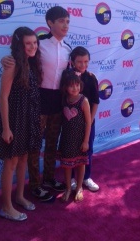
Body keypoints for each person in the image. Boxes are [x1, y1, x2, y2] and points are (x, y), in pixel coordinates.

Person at [1, 6, 71, 201]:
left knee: (51, 143)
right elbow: (21, 58)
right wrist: (6, 59)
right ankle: (35, 185)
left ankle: (48, 179)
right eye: (61, 21)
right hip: (37, 101)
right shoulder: (38, 44)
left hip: (58, 101)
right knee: (33, 146)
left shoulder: (68, 49)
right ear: (50, 23)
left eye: (67, 21)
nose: (65, 25)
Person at [0, 27, 42, 221]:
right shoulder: (12, 64)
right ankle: (6, 207)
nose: (32, 46)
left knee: (23, 159)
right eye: (28, 43)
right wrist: (6, 128)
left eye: (34, 42)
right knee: (11, 162)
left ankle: (20, 196)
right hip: (13, 120)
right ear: (19, 45)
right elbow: (3, 98)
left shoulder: (31, 63)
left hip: (28, 119)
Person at [70, 46, 100, 192]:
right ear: (72, 61)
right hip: (70, 122)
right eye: (79, 62)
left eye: (86, 61)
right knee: (70, 150)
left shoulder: (91, 77)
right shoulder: (67, 77)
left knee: (87, 149)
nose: (83, 65)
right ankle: (71, 179)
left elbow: (95, 102)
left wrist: (90, 121)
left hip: (89, 123)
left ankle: (86, 177)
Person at [58, 70, 91, 202]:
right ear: (65, 87)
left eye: (77, 85)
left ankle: (78, 188)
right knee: (67, 164)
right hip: (66, 139)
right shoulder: (64, 100)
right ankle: (68, 188)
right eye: (71, 86)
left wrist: (86, 141)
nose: (75, 88)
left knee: (80, 163)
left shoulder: (83, 100)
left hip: (80, 139)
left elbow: (89, 121)